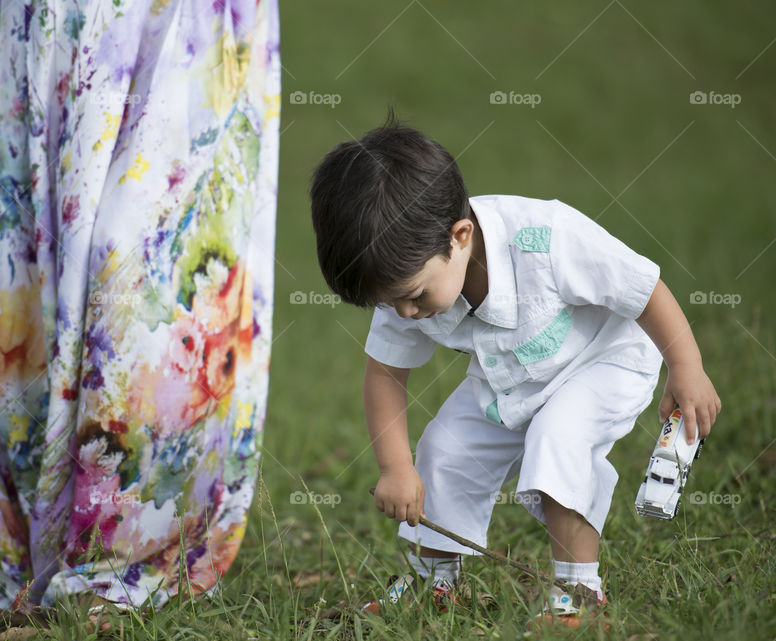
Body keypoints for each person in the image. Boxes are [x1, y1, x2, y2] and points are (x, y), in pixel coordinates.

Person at [0, 0, 280, 619]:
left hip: (187, 22)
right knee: (24, 283)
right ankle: (34, 572)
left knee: (147, 255)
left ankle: (120, 569)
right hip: (29, 20)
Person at [308, 112, 720, 626]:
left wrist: (686, 366)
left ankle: (577, 595)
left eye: (413, 297)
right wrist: (396, 467)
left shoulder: (544, 238)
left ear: (458, 236)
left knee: (557, 438)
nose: (406, 314)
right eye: (388, 304)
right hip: (510, 381)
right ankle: (435, 585)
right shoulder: (404, 279)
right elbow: (385, 374)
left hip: (604, 358)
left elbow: (642, 289)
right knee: (444, 450)